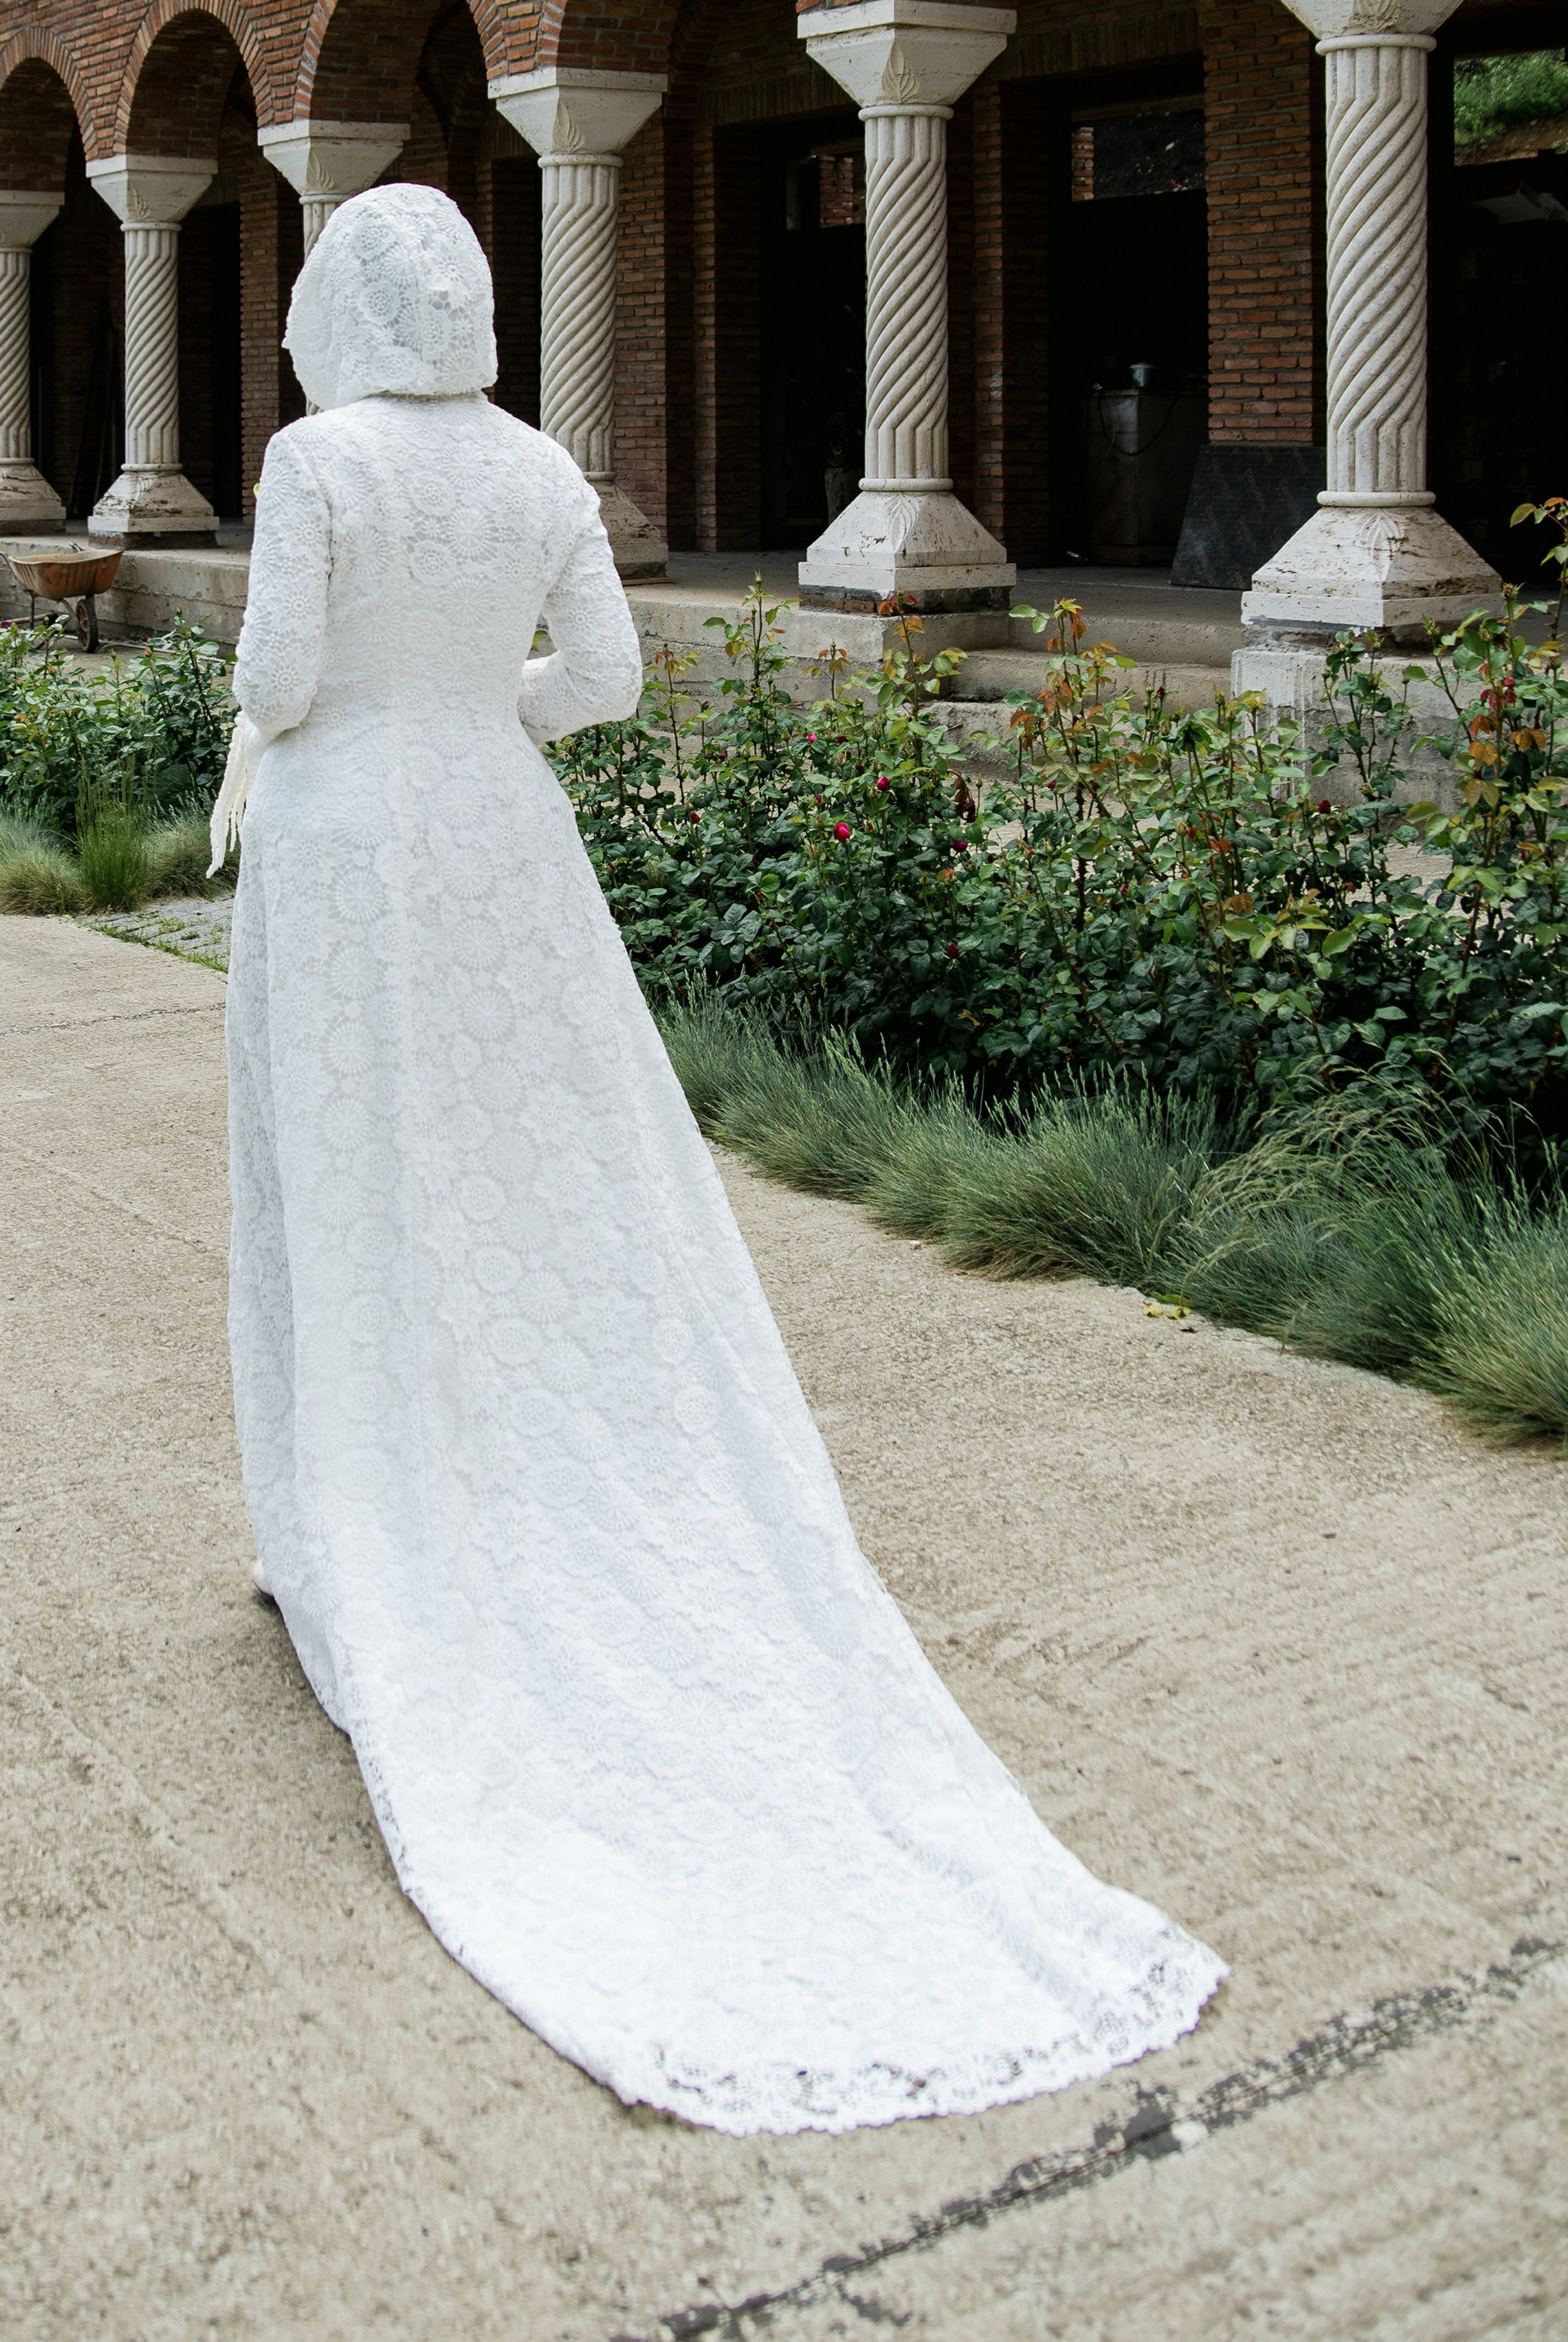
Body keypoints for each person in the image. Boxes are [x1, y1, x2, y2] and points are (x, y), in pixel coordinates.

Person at [215, 182, 1222, 2137]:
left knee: (355, 1181)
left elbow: (270, 687)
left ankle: (345, 1519)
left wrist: (376, 710)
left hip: (345, 851)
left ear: (346, 303)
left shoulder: (314, 455)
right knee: (530, 1182)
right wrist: (466, 706)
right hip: (502, 847)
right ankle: (487, 1482)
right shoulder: (536, 465)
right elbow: (596, 685)